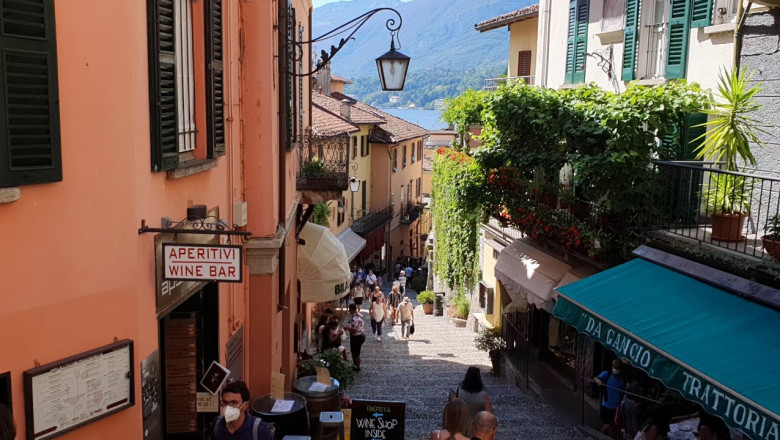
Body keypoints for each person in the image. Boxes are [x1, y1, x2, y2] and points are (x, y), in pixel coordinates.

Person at [451, 366, 493, 437]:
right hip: (476, 427)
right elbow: (489, 413)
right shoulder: (483, 395)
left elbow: (451, 407)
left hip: (459, 426)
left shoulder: (458, 391)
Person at [594, 359, 625, 434]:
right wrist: (598, 380)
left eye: (617, 368)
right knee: (606, 425)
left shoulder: (622, 379)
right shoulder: (607, 374)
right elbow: (596, 378)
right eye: (615, 368)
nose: (616, 370)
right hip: (607, 405)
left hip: (616, 407)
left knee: (613, 427)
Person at [345, 303, 366, 371]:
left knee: (356, 352)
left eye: (349, 309)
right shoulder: (359, 315)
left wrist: (347, 328)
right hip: (362, 335)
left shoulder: (355, 319)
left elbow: (354, 331)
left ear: (352, 310)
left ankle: (357, 366)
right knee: (355, 351)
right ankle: (356, 365)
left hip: (357, 337)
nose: (349, 311)